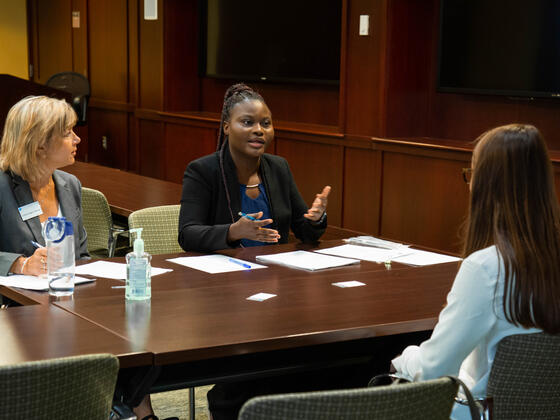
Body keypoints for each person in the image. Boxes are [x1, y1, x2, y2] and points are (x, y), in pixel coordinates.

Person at [391, 124, 560, 419]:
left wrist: (403, 357)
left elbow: (433, 371)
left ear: (487, 185)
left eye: (471, 174)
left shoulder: (486, 268)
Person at [178, 83, 330, 253]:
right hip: (225, 273)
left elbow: (305, 232)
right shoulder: (202, 170)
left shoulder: (279, 168)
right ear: (226, 127)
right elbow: (187, 235)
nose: (259, 130)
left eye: (265, 123)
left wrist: (316, 219)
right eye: (247, 122)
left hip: (274, 272)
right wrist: (232, 232)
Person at [0, 95, 89, 277]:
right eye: (67, 133)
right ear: (39, 145)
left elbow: (81, 256)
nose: (77, 139)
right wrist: (20, 265)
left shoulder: (70, 185)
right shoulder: (2, 186)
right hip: (15, 302)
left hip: (67, 295)